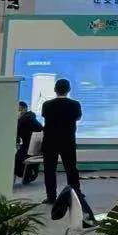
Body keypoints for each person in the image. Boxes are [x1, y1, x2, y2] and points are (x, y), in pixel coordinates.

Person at [40, 78, 82, 206]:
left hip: (50, 141)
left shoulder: (47, 105)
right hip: (68, 141)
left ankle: (51, 196)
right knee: (71, 168)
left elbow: (45, 116)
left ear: (55, 89)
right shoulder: (75, 104)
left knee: (49, 169)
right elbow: (78, 117)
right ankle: (75, 194)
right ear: (69, 89)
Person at [15, 100, 42, 178]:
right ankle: (29, 174)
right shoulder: (30, 118)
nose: (18, 112)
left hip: (29, 148)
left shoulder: (26, 119)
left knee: (17, 159)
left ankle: (27, 174)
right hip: (32, 147)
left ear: (25, 109)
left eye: (19, 109)